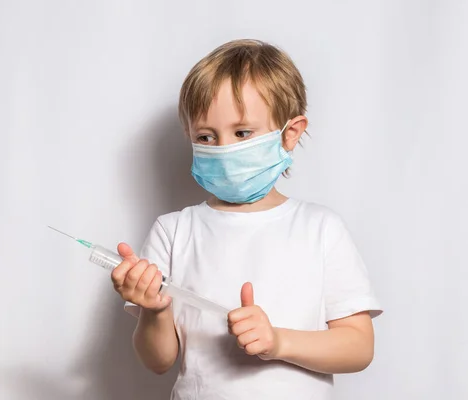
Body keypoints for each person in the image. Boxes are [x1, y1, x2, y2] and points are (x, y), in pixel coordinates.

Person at [110, 39, 382, 399]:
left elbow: (358, 347)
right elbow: (158, 360)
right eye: (206, 136)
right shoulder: (174, 231)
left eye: (242, 133)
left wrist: (278, 341)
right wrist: (155, 308)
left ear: (290, 133)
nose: (223, 150)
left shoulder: (320, 229)